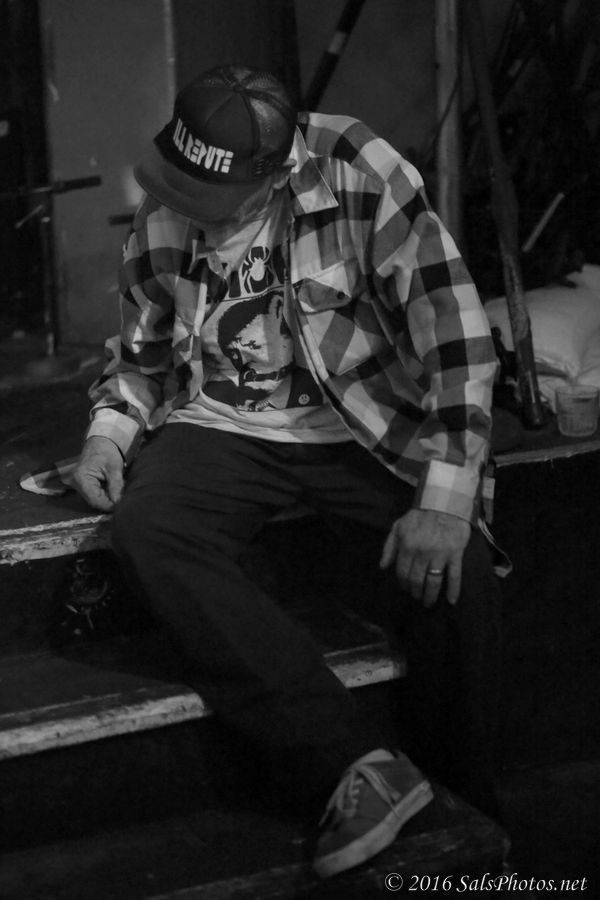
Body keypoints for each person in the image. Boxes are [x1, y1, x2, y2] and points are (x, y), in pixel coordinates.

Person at [73, 64, 502, 879]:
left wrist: (446, 500)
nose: (184, 203)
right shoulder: (170, 197)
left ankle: (464, 815)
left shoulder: (358, 168)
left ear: (276, 173)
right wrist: (108, 435)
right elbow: (139, 356)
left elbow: (458, 337)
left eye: (211, 191)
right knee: (148, 526)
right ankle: (353, 764)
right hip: (222, 424)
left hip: (362, 425)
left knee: (458, 571)